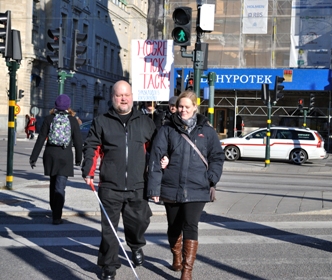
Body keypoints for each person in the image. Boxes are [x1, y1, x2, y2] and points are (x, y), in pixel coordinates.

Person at [81, 80, 157, 280]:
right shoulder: (102, 121)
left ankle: (136, 245)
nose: (123, 99)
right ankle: (108, 266)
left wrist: (162, 164)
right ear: (112, 97)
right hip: (110, 186)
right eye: (119, 95)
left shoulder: (144, 121)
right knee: (109, 231)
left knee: (139, 221)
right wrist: (88, 171)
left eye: (127, 95)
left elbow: (156, 148)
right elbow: (91, 147)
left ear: (132, 97)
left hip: (138, 185)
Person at [147, 90, 225, 280]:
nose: (183, 110)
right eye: (180, 106)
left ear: (195, 108)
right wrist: (154, 188)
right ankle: (176, 254)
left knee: (191, 225)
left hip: (198, 187)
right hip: (171, 186)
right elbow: (156, 158)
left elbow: (217, 156)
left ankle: (187, 271)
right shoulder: (167, 129)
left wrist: (211, 178)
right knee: (174, 226)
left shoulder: (206, 131)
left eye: (187, 107)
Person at [29, 94, 82, 225]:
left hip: (50, 155)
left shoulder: (48, 119)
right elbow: (78, 141)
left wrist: (33, 157)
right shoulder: (72, 120)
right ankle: (56, 216)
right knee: (60, 187)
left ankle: (54, 210)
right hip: (65, 156)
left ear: (55, 106)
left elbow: (41, 138)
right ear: (68, 107)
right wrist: (79, 159)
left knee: (53, 184)